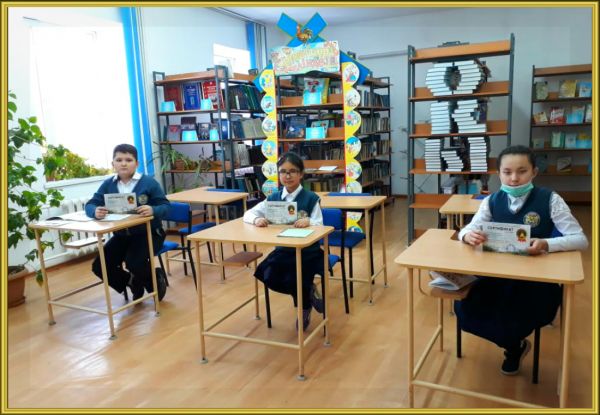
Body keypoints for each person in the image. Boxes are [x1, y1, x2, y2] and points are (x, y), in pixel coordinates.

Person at [455, 145, 588, 375]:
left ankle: (513, 348)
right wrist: (467, 236)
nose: (514, 178)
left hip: (535, 281)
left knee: (513, 320)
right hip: (497, 276)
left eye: (522, 171)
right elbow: (468, 228)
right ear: (499, 174)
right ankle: (515, 345)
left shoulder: (550, 199)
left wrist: (546, 244)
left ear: (534, 172)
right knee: (466, 310)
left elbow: (580, 239)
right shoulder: (492, 201)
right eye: (507, 172)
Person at [243, 152, 324, 330]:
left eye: (292, 171)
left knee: (297, 276)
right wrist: (257, 219)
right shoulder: (273, 198)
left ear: (301, 174)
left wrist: (309, 221)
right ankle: (309, 293)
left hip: (307, 251)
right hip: (284, 250)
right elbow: (249, 213)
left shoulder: (311, 198)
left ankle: (304, 307)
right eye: (283, 172)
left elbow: (320, 224)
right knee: (266, 274)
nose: (287, 176)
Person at [85, 144, 170, 302]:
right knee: (99, 265)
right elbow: (91, 204)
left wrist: (153, 210)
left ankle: (154, 282)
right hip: (122, 236)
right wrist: (94, 211)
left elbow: (166, 206)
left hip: (149, 234)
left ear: (136, 163)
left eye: (128, 160)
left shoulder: (148, 183)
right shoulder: (108, 184)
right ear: (113, 164)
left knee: (133, 262)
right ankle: (131, 281)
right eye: (119, 160)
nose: (123, 164)